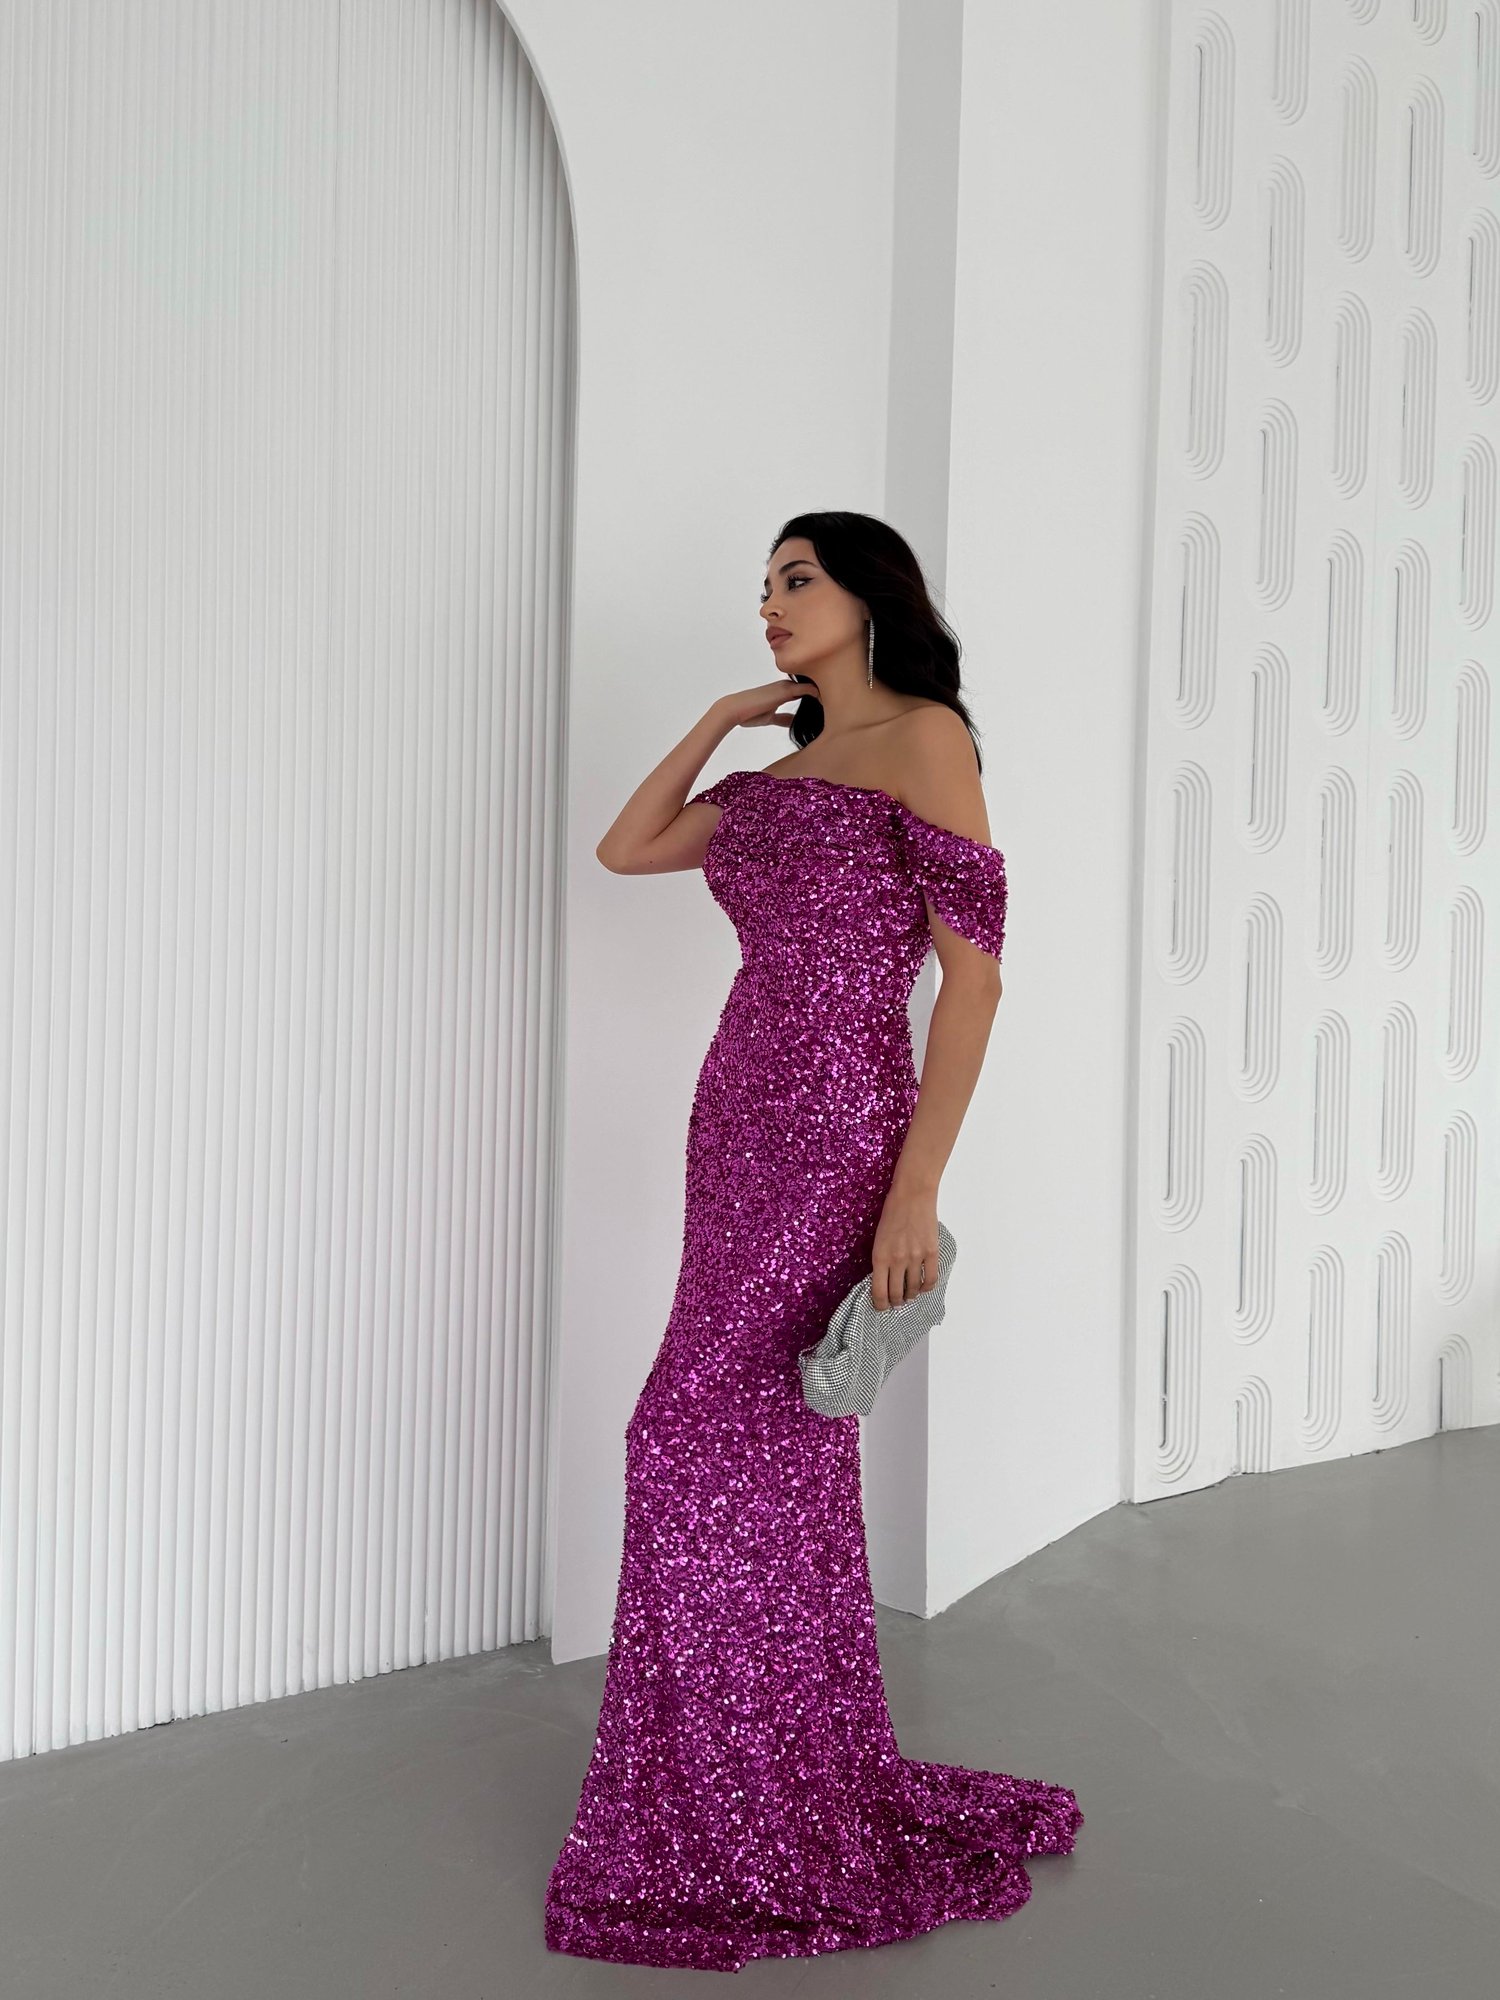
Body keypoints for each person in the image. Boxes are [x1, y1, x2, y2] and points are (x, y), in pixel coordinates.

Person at [543, 512, 1083, 1971]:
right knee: (764, 1449)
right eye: (764, 588)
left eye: (798, 579)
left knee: (686, 1437)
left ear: (867, 593)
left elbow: (973, 983)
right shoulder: (773, 777)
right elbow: (625, 846)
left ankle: (750, 1795)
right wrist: (726, 718)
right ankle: (758, 1784)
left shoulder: (926, 739)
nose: (773, 605)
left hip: (844, 1125)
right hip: (735, 1118)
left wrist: (915, 1189)